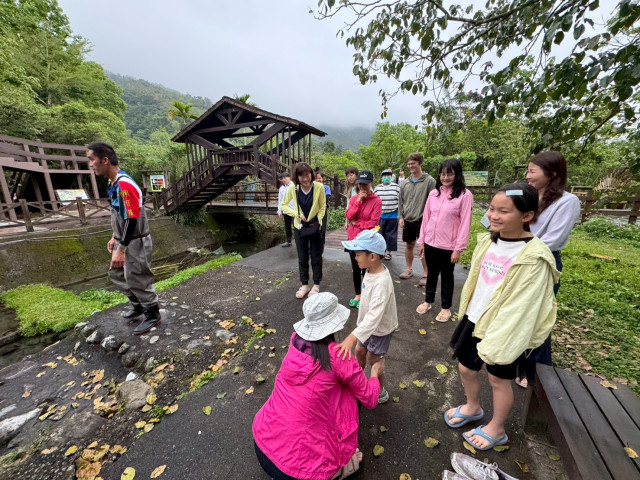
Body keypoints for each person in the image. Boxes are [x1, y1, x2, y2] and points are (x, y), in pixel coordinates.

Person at [444, 184, 559, 451]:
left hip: (506, 327)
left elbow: (524, 306)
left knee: (498, 379)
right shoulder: (488, 241)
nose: (494, 215)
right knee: (465, 368)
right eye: (492, 209)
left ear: (527, 216)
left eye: (503, 211)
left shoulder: (535, 256)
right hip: (475, 317)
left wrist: (503, 334)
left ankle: (497, 428)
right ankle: (472, 407)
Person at [253, 292, 382, 480]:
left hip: (262, 444)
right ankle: (343, 466)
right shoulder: (339, 357)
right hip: (299, 474)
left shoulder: (295, 342)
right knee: (354, 395)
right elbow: (370, 398)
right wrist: (375, 372)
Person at [515, 151, 582, 388]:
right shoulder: (527, 194)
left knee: (537, 317)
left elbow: (553, 239)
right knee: (517, 313)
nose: (527, 176)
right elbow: (504, 213)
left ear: (552, 174)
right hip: (517, 257)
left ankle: (537, 373)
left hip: (542, 261)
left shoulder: (567, 201)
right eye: (528, 171)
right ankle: (517, 363)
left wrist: (517, 246)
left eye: (532, 171)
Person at [87, 143, 161, 335]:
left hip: (135, 240)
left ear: (105, 160)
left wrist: (121, 249)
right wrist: (114, 237)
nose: (91, 164)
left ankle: (152, 314)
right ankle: (138, 305)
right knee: (117, 273)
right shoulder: (113, 183)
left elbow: (131, 219)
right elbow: (119, 213)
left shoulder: (124, 184)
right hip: (123, 238)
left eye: (92, 159)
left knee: (138, 277)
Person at [337, 229, 398, 404]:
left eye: (358, 254)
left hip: (380, 328)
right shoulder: (370, 270)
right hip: (366, 326)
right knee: (359, 351)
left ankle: (380, 390)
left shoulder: (381, 282)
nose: (355, 258)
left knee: (373, 358)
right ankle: (359, 382)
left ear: (372, 257)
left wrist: (351, 338)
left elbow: (374, 316)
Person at [416, 159, 473, 322]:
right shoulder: (434, 193)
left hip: (449, 246)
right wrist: (422, 241)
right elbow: (426, 218)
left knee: (447, 277)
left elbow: (465, 223)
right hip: (430, 243)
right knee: (431, 274)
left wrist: (458, 249)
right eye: (442, 174)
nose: (445, 177)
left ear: (457, 174)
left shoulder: (465, 195)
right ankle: (428, 301)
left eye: (449, 174)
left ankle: (445, 308)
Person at [281, 162, 326, 299]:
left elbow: (322, 206)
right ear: (297, 177)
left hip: (315, 226)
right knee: (302, 257)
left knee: (316, 256)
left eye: (307, 175)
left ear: (311, 175)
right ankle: (305, 284)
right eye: (302, 176)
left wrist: (319, 221)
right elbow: (284, 205)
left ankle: (316, 284)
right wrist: (297, 214)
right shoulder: (293, 188)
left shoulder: (318, 187)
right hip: (299, 226)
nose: (305, 179)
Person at [344, 171, 382, 308]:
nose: (363, 187)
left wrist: (357, 223)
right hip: (353, 239)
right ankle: (358, 294)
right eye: (360, 184)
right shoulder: (354, 199)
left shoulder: (376, 201)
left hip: (366, 241)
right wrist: (358, 201)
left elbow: (373, 223)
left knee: (367, 268)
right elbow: (349, 216)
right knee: (355, 268)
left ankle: (367, 295)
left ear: (371, 184)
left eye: (365, 184)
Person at [398, 153, 436, 285]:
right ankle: (408, 269)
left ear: (420, 163)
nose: (410, 166)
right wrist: (401, 217)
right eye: (409, 164)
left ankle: (426, 273)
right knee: (409, 244)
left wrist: (431, 221)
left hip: (423, 220)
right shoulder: (405, 183)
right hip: (408, 219)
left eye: (413, 163)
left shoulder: (429, 181)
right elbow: (400, 202)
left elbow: (434, 202)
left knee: (423, 247)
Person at [374, 168, 400, 260]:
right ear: (382, 177)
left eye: (388, 175)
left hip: (393, 215)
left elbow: (401, 200)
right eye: (385, 175)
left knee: (391, 235)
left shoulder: (396, 187)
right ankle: (381, 251)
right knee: (380, 234)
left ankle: (388, 252)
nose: (386, 177)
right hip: (380, 216)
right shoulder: (377, 188)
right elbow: (374, 201)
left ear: (391, 177)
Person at [277, 172, 294, 247]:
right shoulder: (281, 188)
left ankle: (300, 241)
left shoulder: (294, 186)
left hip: (294, 209)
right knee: (287, 226)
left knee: (297, 226)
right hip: (285, 210)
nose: (284, 179)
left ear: (289, 177)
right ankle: (288, 241)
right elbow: (280, 200)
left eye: (285, 177)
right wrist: (279, 211)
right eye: (282, 178)